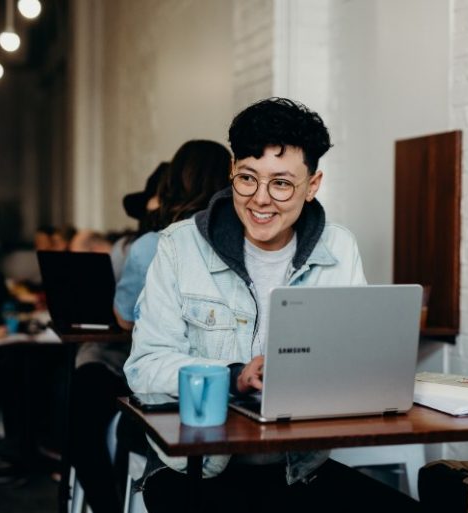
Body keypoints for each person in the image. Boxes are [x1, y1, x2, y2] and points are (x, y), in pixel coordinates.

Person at [124, 98, 422, 513]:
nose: (260, 199)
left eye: (281, 183)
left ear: (313, 185)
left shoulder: (339, 246)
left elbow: (354, 364)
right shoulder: (179, 245)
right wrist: (232, 376)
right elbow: (144, 366)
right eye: (248, 178)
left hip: (298, 470)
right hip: (195, 471)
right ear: (232, 172)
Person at [70, 142, 230, 513]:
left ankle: (104, 503)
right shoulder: (242, 241)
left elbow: (124, 318)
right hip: (225, 384)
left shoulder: (152, 245)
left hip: (165, 387)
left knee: (83, 409)